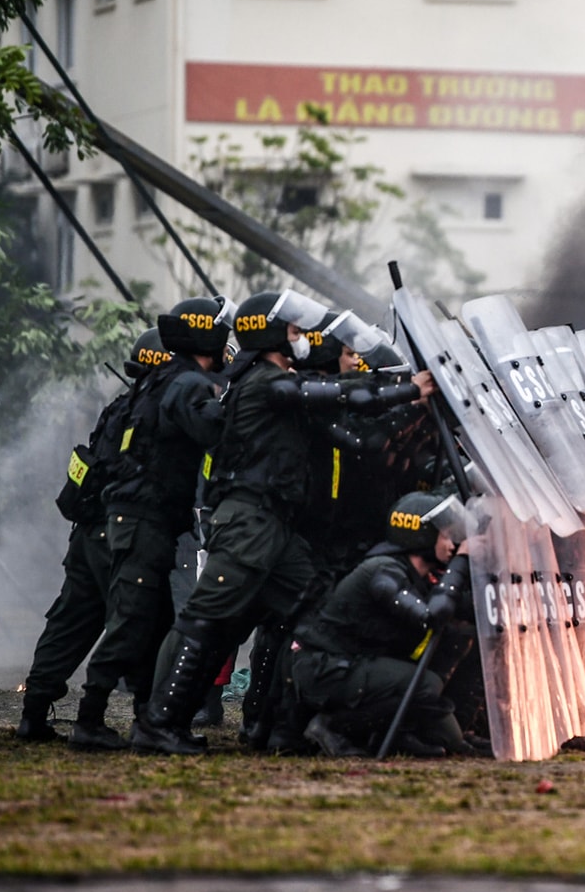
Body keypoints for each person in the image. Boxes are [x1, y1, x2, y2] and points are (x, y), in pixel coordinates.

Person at [129, 290, 433, 755]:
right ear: (270, 334)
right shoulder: (265, 381)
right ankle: (157, 722)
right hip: (249, 519)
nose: (301, 340)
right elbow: (329, 392)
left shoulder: (274, 378)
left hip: (274, 527)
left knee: (317, 608)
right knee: (207, 619)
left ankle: (288, 729)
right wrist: (410, 388)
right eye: (293, 332)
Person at [75, 299, 229, 750]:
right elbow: (214, 432)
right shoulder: (186, 384)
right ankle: (89, 719)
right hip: (144, 519)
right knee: (131, 621)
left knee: (155, 621)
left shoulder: (164, 379)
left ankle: (149, 722)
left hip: (147, 518)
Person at [13, 330, 167, 742]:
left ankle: (33, 714)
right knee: (139, 622)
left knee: (70, 621)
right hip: (117, 535)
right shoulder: (154, 411)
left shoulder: (119, 408)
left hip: (88, 534)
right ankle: (130, 718)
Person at [290, 491, 478, 758]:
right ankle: (331, 725)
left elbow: (461, 610)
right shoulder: (382, 571)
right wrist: (460, 563)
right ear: (422, 536)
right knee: (424, 684)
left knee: (458, 640)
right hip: (327, 669)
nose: (452, 545)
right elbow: (430, 616)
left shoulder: (417, 574)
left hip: (355, 665)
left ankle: (402, 734)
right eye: (445, 535)